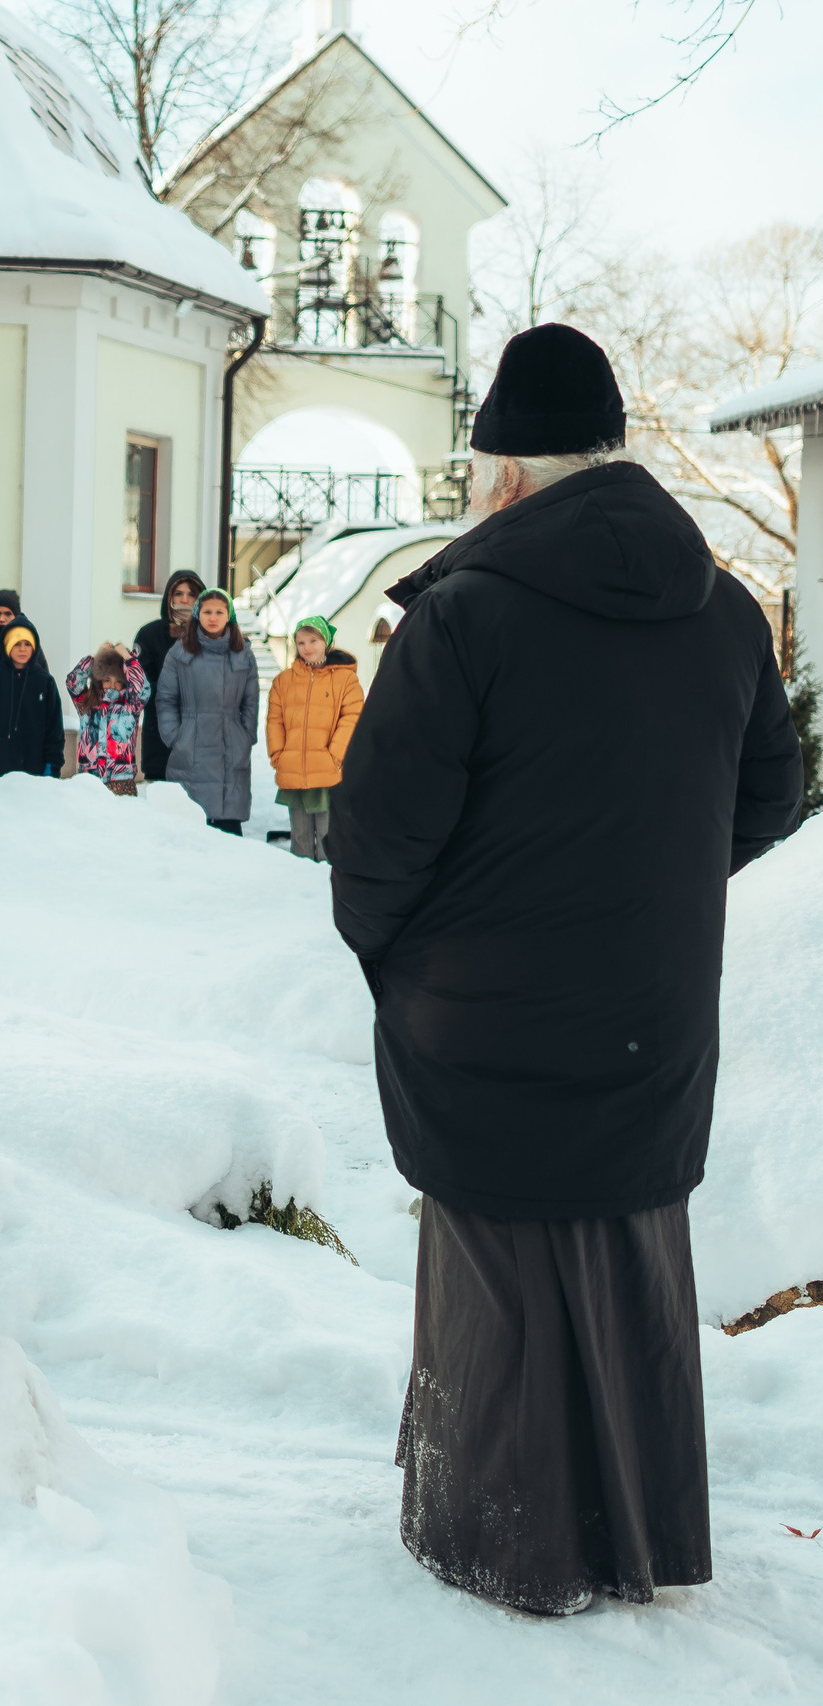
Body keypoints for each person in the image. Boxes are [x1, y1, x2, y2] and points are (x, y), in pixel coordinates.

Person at [335, 325, 803, 1618]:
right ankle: (638, 1527)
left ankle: (504, 1539)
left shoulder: (467, 613)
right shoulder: (719, 606)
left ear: (511, 472)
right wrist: (647, 890)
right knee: (631, 1249)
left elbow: (377, 840)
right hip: (651, 1004)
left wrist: (407, 947)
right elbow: (770, 794)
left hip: (483, 1003)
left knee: (498, 1257)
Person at [154, 588, 258, 833]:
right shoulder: (179, 653)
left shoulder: (243, 654)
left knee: (228, 833)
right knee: (190, 829)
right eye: (207, 611)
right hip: (190, 744)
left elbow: (251, 701)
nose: (213, 617)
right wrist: (176, 737)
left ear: (229, 615)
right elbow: (166, 699)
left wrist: (245, 736)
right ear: (198, 614)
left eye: (219, 612)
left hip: (230, 746)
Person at [265, 615, 364, 861]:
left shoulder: (346, 679)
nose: (307, 648)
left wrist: (335, 757)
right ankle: (300, 884)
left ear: (326, 642)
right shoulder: (283, 681)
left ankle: (326, 880)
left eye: (313, 641)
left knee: (328, 834)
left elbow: (351, 718)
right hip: (294, 769)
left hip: (330, 771)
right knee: (299, 835)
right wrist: (278, 755)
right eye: (301, 643)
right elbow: (274, 721)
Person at [0, 623, 62, 782]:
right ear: (7, 645)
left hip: (34, 771)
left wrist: (52, 766)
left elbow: (54, 729)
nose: (22, 649)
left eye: (27, 644)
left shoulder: (44, 682)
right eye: (17, 643)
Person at [132, 569, 205, 784]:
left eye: (191, 594)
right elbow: (141, 684)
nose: (184, 600)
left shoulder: (210, 636)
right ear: (169, 598)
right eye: (178, 594)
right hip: (161, 740)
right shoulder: (149, 634)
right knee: (162, 811)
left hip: (202, 743)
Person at [66, 642, 151, 794]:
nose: (112, 685)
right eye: (107, 679)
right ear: (98, 679)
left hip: (121, 780)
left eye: (118, 681)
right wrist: (96, 659)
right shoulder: (87, 704)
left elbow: (143, 689)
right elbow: (73, 682)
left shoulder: (131, 706)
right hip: (89, 780)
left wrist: (127, 657)